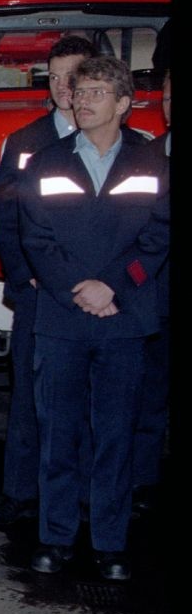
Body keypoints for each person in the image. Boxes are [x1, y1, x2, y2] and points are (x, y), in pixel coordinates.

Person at [20, 56, 170, 581]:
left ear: (124, 104)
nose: (81, 100)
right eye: (79, 91)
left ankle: (109, 541)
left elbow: (158, 236)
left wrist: (114, 286)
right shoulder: (44, 162)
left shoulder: (154, 164)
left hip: (123, 319)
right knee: (58, 432)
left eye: (96, 93)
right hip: (62, 319)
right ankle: (56, 537)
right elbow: (36, 238)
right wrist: (76, 290)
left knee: (116, 433)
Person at [0, 34, 97, 527]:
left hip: (97, 300)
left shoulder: (113, 142)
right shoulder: (25, 143)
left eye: (76, 76)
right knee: (28, 399)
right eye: (57, 76)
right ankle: (19, 496)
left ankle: (88, 501)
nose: (66, 87)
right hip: (37, 294)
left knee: (93, 402)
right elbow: (7, 219)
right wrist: (22, 279)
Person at [130, 67, 171, 516]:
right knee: (148, 397)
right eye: (170, 97)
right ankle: (142, 482)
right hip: (155, 299)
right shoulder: (144, 157)